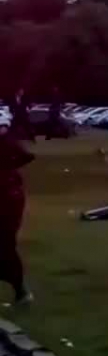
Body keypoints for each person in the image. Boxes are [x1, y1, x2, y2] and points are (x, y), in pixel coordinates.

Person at [0, 124, 35, 306]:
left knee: (5, 244)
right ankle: (20, 290)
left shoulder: (4, 140)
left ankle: (21, 290)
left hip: (6, 197)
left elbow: (26, 156)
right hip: (10, 193)